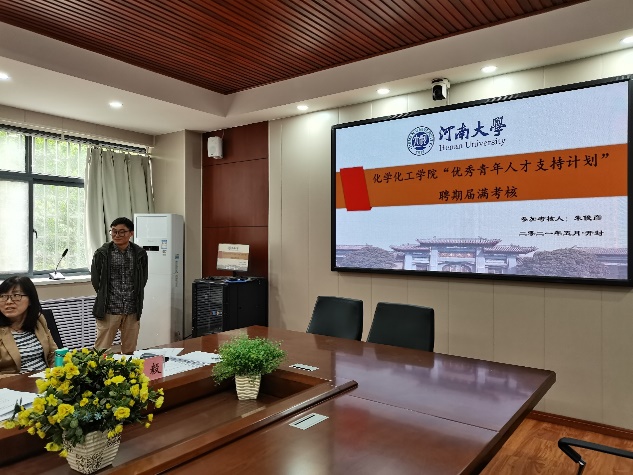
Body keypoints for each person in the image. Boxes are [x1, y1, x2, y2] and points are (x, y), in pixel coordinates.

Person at [91, 217, 148, 354]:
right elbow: (96, 280)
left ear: (131, 233)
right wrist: (105, 295)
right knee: (101, 351)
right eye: (114, 231)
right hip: (109, 308)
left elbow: (143, 279)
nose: (117, 235)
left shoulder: (139, 254)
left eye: (122, 232)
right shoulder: (102, 253)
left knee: (129, 350)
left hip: (132, 308)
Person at [0, 276, 58, 377]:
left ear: (30, 300)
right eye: (3, 296)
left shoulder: (38, 320)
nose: (8, 301)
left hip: (45, 380)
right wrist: (24, 379)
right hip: (13, 384)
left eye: (16, 295)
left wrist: (58, 374)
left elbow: (53, 354)